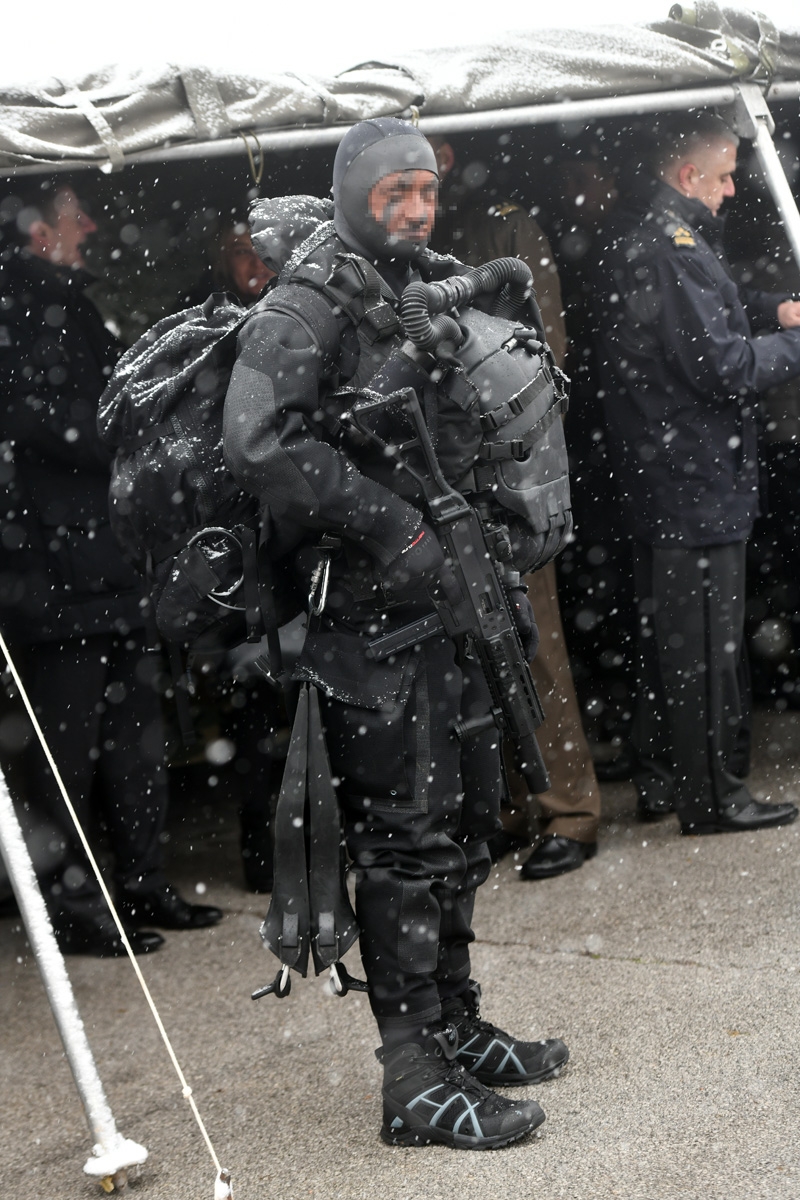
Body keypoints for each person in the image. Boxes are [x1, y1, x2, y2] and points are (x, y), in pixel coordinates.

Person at [224, 119, 569, 1151]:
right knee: (404, 840)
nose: (417, 211)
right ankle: (412, 1076)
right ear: (354, 193)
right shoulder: (306, 304)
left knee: (464, 822)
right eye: (395, 194)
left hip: (447, 603)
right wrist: (392, 527)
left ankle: (454, 1027)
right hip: (369, 624)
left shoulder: (412, 281)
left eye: (426, 190)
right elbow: (257, 438)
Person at [0, 181, 223, 954]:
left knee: (136, 740)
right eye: (77, 215)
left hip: (110, 560)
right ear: (39, 232)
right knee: (65, 752)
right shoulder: (16, 311)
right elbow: (35, 418)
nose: (92, 226)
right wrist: (130, 435)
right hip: (53, 571)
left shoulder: (72, 304)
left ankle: (142, 882)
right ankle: (74, 904)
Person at [592, 111, 800, 835]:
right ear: (688, 176)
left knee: (672, 645)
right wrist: (795, 343)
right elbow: (724, 365)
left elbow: (714, 304)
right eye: (723, 176)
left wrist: (774, 309)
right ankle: (713, 797)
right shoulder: (672, 248)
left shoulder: (659, 238)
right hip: (696, 478)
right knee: (707, 650)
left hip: (670, 474)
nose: (733, 189)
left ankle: (662, 776)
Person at [429, 137, 601, 879]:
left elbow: (539, 360)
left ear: (445, 152)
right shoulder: (387, 244)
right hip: (434, 482)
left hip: (501, 478)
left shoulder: (500, 228)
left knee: (534, 645)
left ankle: (567, 808)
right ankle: (504, 806)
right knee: (468, 653)